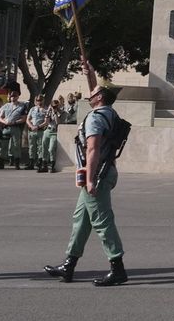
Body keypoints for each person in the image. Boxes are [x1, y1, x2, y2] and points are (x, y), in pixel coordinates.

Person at [43, 74, 129, 287]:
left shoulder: (96, 117)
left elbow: (93, 148)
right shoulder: (109, 112)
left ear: (99, 97)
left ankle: (117, 268)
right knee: (81, 220)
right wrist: (89, 70)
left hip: (97, 174)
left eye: (94, 92)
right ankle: (69, 265)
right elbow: (96, 90)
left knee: (102, 221)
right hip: (104, 171)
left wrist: (89, 179)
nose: (90, 93)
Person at [0, 87, 27, 170]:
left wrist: (14, 122)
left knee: (16, 145)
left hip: (15, 127)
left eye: (15, 96)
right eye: (12, 96)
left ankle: (17, 163)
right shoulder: (5, 106)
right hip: (6, 127)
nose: (13, 98)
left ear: (18, 97)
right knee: (3, 145)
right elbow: (0, 117)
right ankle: (1, 162)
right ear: (10, 97)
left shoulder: (22, 106)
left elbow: (24, 118)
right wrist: (4, 122)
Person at [26, 97, 51, 171]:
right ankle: (31, 163)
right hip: (32, 130)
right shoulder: (32, 109)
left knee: (41, 147)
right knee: (31, 147)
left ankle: (40, 162)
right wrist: (31, 126)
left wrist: (38, 126)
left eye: (40, 100)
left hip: (40, 131)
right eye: (37, 100)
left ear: (43, 100)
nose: (39, 102)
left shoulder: (46, 110)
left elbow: (46, 121)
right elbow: (28, 119)